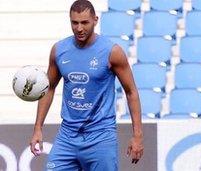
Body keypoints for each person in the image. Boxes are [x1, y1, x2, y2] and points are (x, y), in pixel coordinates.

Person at [29, 0, 144, 170]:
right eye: (74, 23)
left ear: (95, 20)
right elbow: (49, 88)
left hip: (101, 137)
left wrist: (138, 136)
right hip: (67, 136)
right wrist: (38, 128)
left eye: (84, 22)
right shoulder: (59, 50)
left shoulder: (112, 52)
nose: (79, 28)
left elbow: (131, 92)